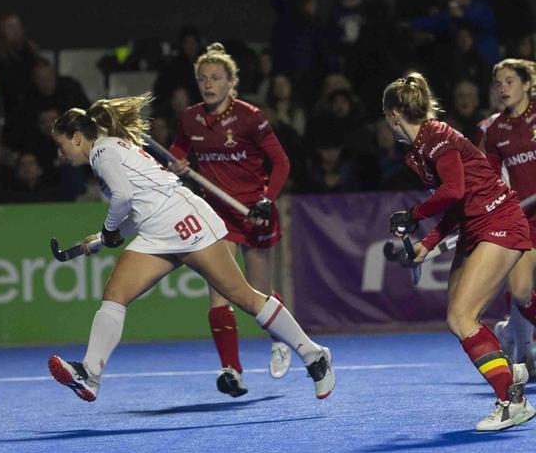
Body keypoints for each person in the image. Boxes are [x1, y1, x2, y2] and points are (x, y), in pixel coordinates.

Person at [47, 93, 334, 403]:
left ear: (77, 138)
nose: (61, 155)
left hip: (185, 222)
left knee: (244, 297)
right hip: (156, 232)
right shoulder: (109, 150)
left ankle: (314, 355)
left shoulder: (103, 151)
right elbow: (135, 206)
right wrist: (103, 238)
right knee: (116, 294)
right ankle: (89, 374)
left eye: (61, 146)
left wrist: (108, 230)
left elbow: (123, 198)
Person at [383, 72, 534, 431]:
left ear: (392, 115)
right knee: (458, 317)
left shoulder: (437, 136)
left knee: (465, 316)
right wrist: (428, 242)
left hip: (499, 221)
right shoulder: (417, 153)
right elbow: (456, 202)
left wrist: (414, 215)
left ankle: (512, 400)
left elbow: (453, 189)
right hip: (474, 226)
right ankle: (509, 372)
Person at [166, 43, 294, 397]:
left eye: (216, 78)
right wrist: (174, 168)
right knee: (220, 294)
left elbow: (281, 163)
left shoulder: (251, 116)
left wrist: (268, 200)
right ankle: (231, 370)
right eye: (203, 79)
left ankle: (280, 337)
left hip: (255, 213)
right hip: (217, 218)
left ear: (231, 81)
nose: (208, 85)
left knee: (257, 296)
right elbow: (176, 154)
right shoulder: (190, 119)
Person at [482, 59, 536, 370]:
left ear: (527, 84)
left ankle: (521, 346)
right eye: (498, 83)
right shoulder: (494, 131)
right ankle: (515, 339)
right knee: (520, 291)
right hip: (524, 224)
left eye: (510, 81)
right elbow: (490, 181)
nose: (503, 88)